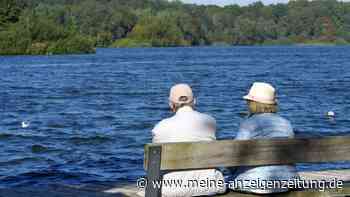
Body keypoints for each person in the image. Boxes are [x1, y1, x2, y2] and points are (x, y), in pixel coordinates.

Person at [151, 84, 226, 197]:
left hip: (173, 188)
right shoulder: (210, 122)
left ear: (171, 104)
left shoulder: (160, 127)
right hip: (211, 185)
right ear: (194, 101)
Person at [231, 82, 299, 194]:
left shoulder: (250, 123)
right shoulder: (286, 123)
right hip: (288, 181)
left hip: (256, 183)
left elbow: (234, 155)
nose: (247, 104)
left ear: (253, 103)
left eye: (248, 102)